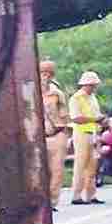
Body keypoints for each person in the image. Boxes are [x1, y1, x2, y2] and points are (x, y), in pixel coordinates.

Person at [68, 70, 105, 204]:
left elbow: (97, 115)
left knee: (92, 166)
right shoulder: (76, 98)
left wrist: (99, 122)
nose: (94, 87)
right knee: (80, 165)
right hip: (81, 133)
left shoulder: (92, 98)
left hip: (93, 132)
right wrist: (94, 119)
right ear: (86, 84)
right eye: (92, 85)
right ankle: (76, 195)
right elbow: (76, 118)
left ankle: (91, 195)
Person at [38, 60, 69, 208]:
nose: (45, 76)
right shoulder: (32, 92)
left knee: (56, 170)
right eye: (42, 73)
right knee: (40, 170)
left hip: (57, 134)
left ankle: (52, 201)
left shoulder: (57, 94)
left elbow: (64, 114)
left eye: (48, 73)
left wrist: (62, 126)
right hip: (39, 136)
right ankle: (41, 199)